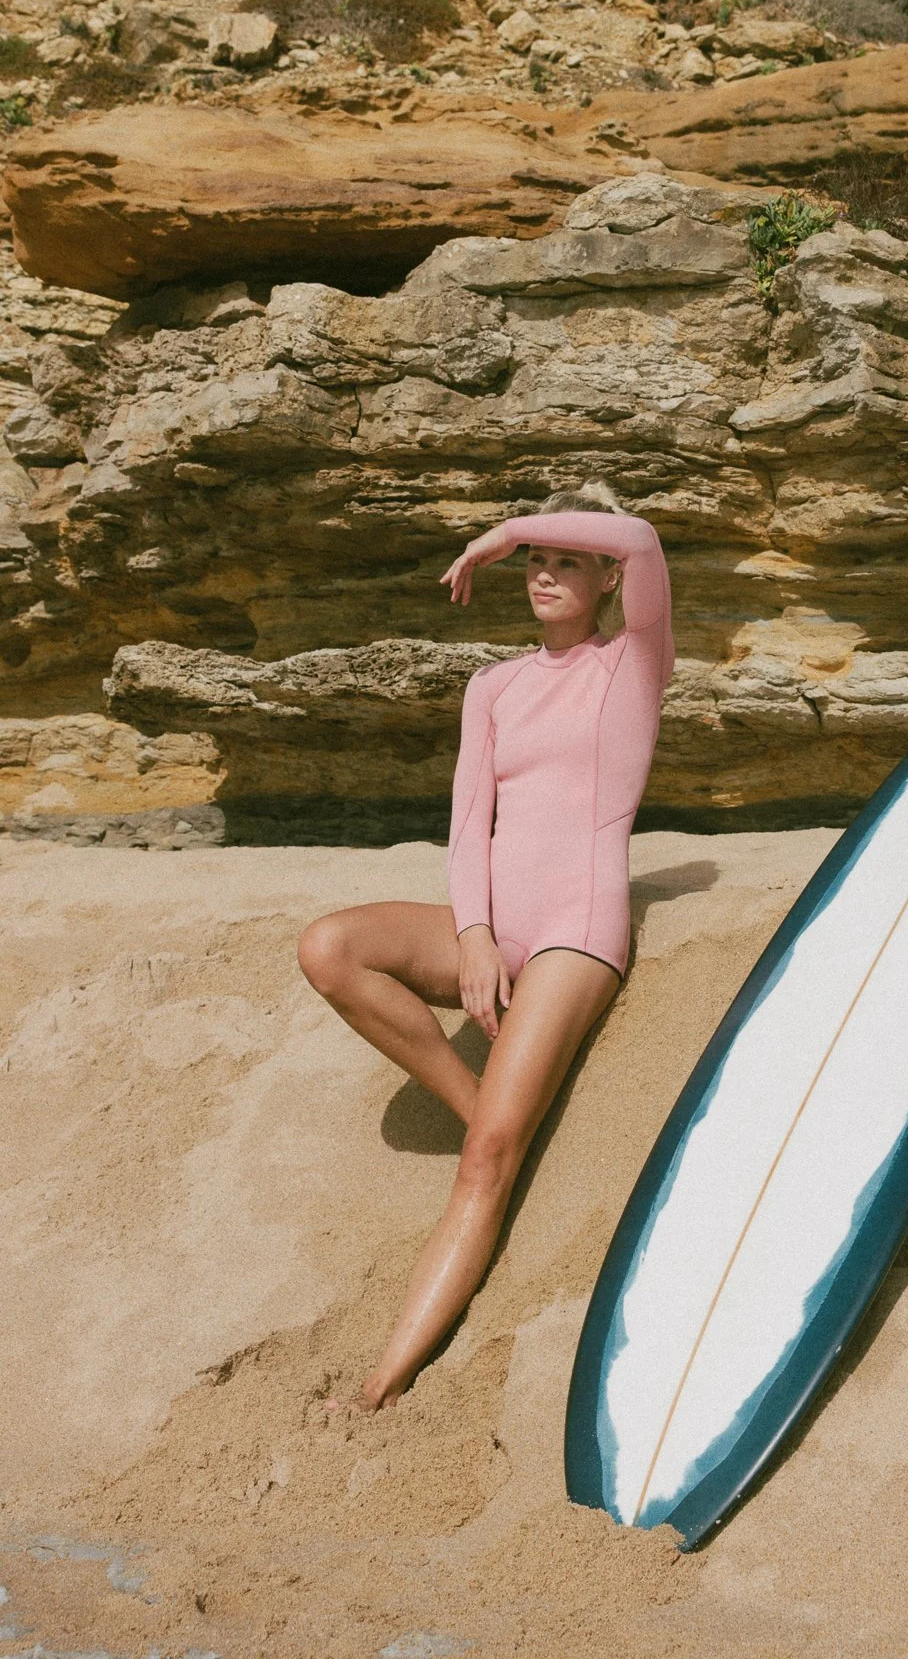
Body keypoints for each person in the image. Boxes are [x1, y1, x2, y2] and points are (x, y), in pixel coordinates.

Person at [297, 483, 674, 1410]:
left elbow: (641, 534)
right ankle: (484, 1110)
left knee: (484, 1167)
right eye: (535, 562)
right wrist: (470, 935)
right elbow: (469, 828)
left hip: (573, 935)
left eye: (564, 560)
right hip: (493, 921)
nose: (543, 573)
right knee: (328, 946)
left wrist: (505, 531)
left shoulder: (632, 663)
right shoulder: (493, 686)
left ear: (605, 579)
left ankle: (384, 1378)